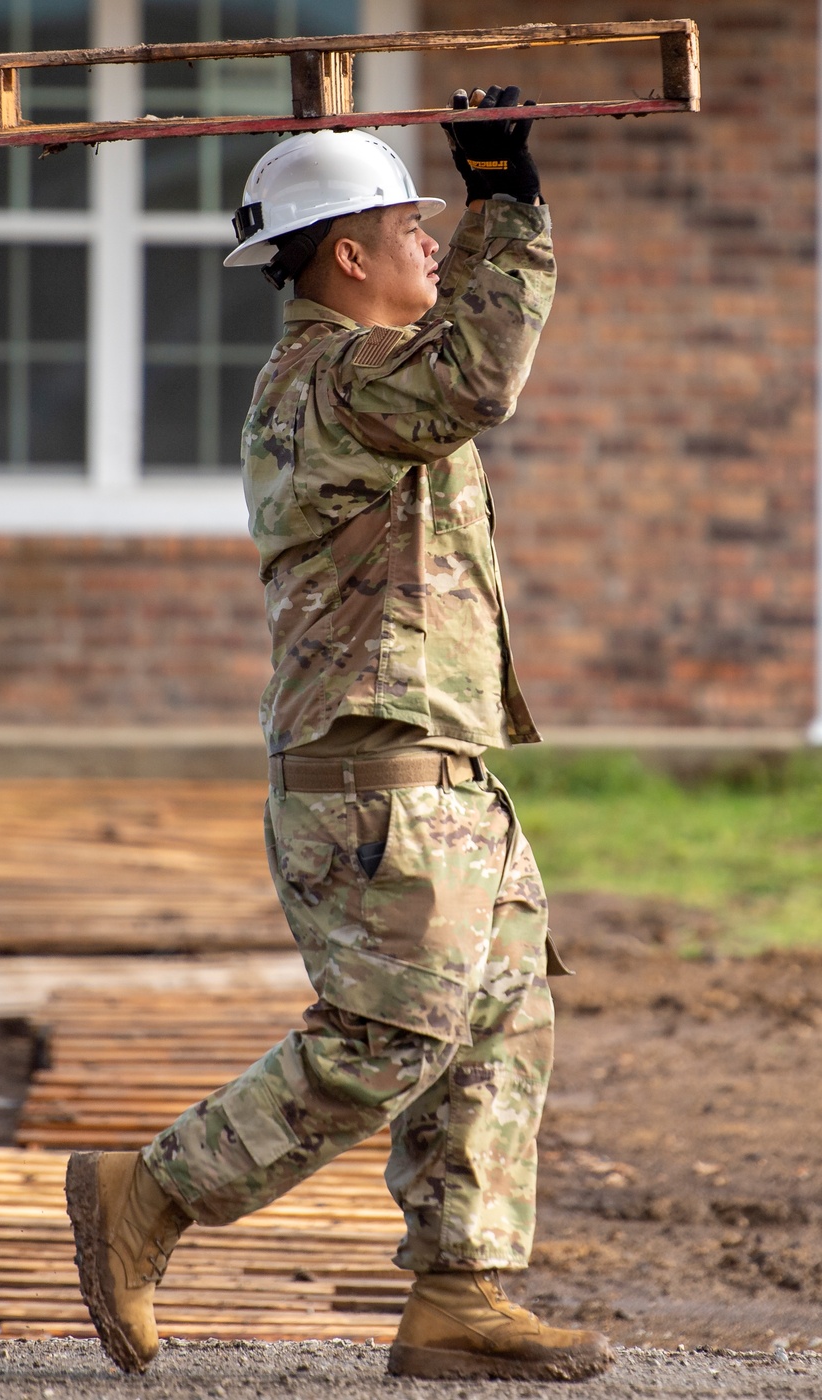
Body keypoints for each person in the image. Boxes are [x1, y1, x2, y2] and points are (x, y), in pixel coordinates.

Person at [66, 87, 613, 1384]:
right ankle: (152, 1192)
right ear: (346, 255)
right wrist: (510, 202)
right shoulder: (325, 386)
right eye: (410, 223)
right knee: (386, 1040)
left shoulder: (380, 380)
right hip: (374, 784)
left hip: (444, 774)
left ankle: (457, 1295)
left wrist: (491, 204)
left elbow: (459, 373)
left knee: (500, 1022)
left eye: (443, 222)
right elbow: (482, 371)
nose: (434, 240)